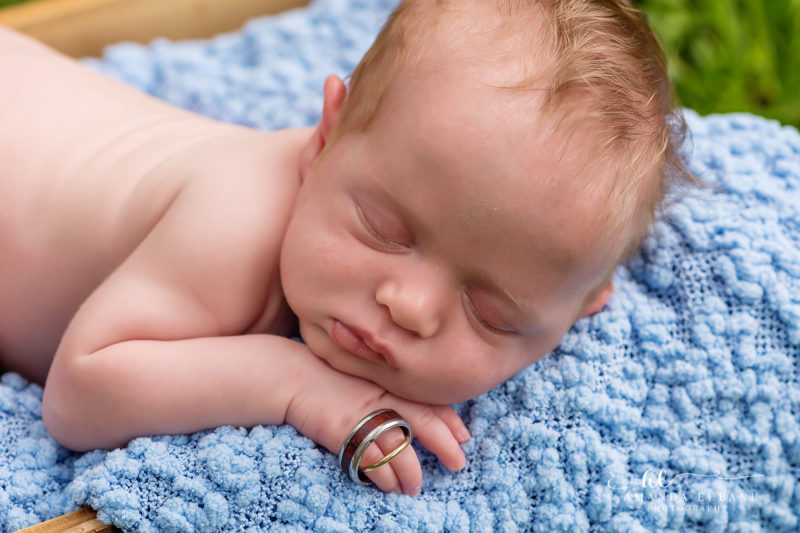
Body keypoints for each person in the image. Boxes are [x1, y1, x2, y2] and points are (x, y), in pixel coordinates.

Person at [0, 0, 690, 495]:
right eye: (383, 230)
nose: (409, 305)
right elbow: (79, 391)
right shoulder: (233, 220)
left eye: (490, 311)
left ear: (581, 311)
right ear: (325, 136)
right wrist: (299, 385)